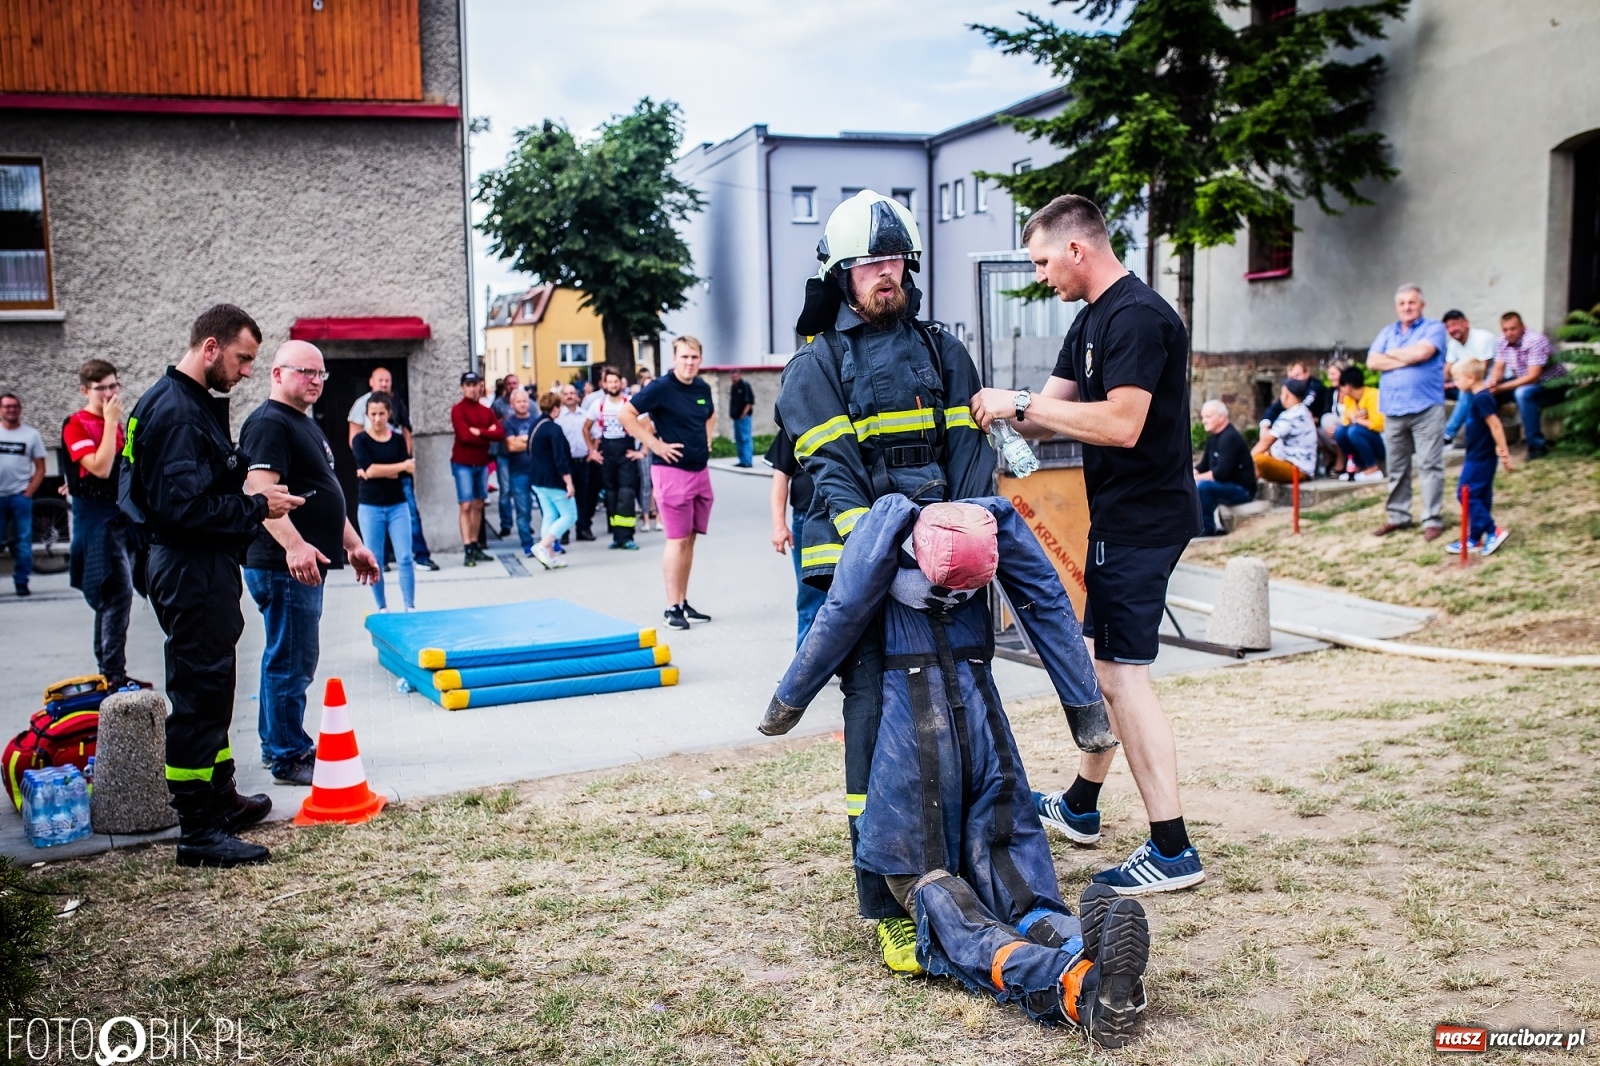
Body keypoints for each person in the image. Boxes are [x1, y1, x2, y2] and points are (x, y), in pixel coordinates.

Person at [759, 497, 1145, 1047]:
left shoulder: (885, 532)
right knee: (1022, 893)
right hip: (987, 739)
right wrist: (1084, 710)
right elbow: (1044, 598)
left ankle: (1074, 984)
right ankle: (1081, 943)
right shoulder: (990, 516)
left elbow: (841, 610)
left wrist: (787, 701)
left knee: (944, 906)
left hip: (910, 767)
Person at [776, 189, 995, 971]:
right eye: (870, 264)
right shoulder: (815, 366)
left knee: (965, 719)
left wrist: (959, 544)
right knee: (876, 727)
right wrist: (892, 558)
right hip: (865, 581)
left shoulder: (946, 353)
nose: (886, 275)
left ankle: (970, 869)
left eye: (896, 261)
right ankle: (888, 900)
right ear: (841, 274)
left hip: (948, 574)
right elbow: (836, 480)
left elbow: (973, 459)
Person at [970, 193, 1207, 895]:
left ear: (1078, 249)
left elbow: (1123, 423)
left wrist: (1019, 403)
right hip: (1118, 517)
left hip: (1146, 517)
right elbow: (1050, 415)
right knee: (1104, 664)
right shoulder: (1090, 321)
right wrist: (993, 415)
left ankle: (1171, 848)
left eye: (1045, 260)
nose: (1042, 275)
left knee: (1121, 675)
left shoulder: (1137, 316)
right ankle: (1080, 806)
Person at [119, 304, 300, 867]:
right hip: (188, 567)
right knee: (199, 697)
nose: (248, 371)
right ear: (211, 348)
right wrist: (256, 505)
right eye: (244, 358)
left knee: (215, 687)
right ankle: (198, 830)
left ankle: (220, 797)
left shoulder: (187, 402)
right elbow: (183, 510)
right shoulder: (174, 411)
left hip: (198, 568)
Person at [241, 341, 379, 787]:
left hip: (305, 562)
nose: (316, 381)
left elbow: (323, 494)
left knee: (288, 656)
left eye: (322, 374)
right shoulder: (268, 423)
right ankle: (288, 754)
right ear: (277, 374)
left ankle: (278, 744)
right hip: (284, 566)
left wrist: (354, 544)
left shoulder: (303, 424)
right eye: (306, 372)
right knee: (291, 659)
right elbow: (257, 491)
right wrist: (294, 546)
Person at [623, 337, 718, 631]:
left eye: (694, 357)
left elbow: (710, 415)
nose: (690, 362)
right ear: (674, 358)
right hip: (671, 473)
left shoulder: (702, 388)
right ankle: (671, 607)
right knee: (676, 540)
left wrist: (707, 437)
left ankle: (683, 601)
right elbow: (626, 414)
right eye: (684, 357)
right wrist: (654, 444)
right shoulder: (661, 388)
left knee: (690, 539)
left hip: (700, 472)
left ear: (700, 359)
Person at [63, 361, 142, 685]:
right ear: (85, 390)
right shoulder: (76, 423)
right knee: (116, 592)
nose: (109, 394)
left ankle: (109, 671)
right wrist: (110, 424)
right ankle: (112, 673)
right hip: (97, 522)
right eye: (101, 388)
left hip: (118, 516)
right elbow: (101, 467)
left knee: (114, 595)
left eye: (113, 386)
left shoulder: (115, 423)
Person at [1367, 284, 1448, 539]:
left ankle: (1432, 519)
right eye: (1402, 303)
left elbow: (1424, 353)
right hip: (1393, 409)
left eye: (1412, 302)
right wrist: (1407, 356)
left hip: (1426, 408)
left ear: (1421, 305)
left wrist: (1391, 356)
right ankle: (1398, 517)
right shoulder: (1387, 331)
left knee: (1429, 464)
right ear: (1396, 307)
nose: (1407, 307)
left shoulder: (1434, 328)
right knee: (1396, 467)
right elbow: (1372, 361)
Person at [348, 366, 437, 571]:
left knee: (410, 514)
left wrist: (402, 462)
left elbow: (406, 431)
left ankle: (420, 556)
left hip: (397, 468)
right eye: (380, 380)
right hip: (373, 474)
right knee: (378, 521)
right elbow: (355, 440)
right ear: (371, 381)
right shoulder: (361, 405)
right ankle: (383, 560)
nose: (384, 384)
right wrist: (365, 465)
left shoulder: (396, 402)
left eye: (387, 380)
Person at [352, 392, 417, 612]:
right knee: (375, 559)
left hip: (398, 505)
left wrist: (374, 471)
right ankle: (382, 607)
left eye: (381, 413)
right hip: (371, 506)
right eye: (373, 414)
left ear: (389, 414)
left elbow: (404, 473)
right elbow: (372, 470)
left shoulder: (397, 439)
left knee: (405, 557)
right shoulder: (360, 440)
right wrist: (397, 467)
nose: (377, 418)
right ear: (367, 415)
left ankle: (410, 606)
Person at [765, 422, 827, 645]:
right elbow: (781, 474)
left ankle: (852, 668)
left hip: (848, 516)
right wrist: (778, 525)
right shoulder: (795, 418)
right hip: (806, 519)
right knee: (810, 595)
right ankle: (804, 671)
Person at [1447, 359, 1513, 555]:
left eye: (1456, 379)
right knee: (1480, 496)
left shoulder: (1481, 398)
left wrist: (1504, 452)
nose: (1455, 384)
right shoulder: (1477, 397)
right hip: (1477, 455)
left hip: (1480, 457)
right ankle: (1474, 538)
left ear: (1470, 378)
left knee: (1465, 493)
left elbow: (1495, 425)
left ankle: (1493, 531)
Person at [1491, 311, 1566, 460]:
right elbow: (1498, 368)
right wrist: (1493, 382)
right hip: (1524, 382)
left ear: (1522, 327)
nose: (1509, 333)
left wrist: (1501, 387)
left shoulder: (1535, 340)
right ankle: (1489, 441)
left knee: (1523, 393)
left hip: (1552, 385)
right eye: (1505, 330)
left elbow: (1533, 377)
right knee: (1486, 393)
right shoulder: (1502, 341)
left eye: (1513, 328)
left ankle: (1537, 446)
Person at [450, 371, 505, 566]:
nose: (473, 388)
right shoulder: (458, 410)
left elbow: (499, 433)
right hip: (462, 463)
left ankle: (475, 544)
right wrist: (486, 434)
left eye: (476, 384)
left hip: (481, 462)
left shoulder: (486, 411)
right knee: (465, 504)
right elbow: (465, 436)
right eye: (469, 385)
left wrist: (479, 432)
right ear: (462, 387)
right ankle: (467, 548)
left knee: (479, 504)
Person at [583, 368, 641, 551]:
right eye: (610, 382)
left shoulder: (630, 403)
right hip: (607, 452)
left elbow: (648, 426)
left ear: (621, 383)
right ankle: (617, 535)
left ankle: (627, 536)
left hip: (626, 453)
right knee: (611, 495)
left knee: (626, 494)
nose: (613, 385)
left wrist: (643, 451)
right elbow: (586, 429)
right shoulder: (598, 404)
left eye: (616, 381)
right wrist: (592, 451)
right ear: (604, 384)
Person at [0, 392, 45, 597]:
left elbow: (40, 467)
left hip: (20, 496)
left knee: (23, 543)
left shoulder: (31, 435)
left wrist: (28, 493)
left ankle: (21, 583)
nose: (11, 409)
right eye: (7, 406)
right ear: (1, 410)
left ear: (20, 409)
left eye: (15, 406)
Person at [527, 390, 577, 569]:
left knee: (549, 514)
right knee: (570, 515)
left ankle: (549, 556)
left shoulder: (535, 425)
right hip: (553, 480)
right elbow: (560, 458)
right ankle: (542, 546)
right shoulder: (554, 429)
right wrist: (569, 482)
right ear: (555, 408)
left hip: (537, 479)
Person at [1192, 400, 1256, 537]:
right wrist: (1187, 474)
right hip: (1224, 485)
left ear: (1221, 417)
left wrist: (1193, 479)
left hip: (1242, 490)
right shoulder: (1213, 438)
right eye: (1203, 417)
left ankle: (1206, 528)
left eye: (1208, 417)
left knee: (1202, 487)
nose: (1204, 421)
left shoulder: (1230, 438)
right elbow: (1203, 465)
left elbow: (1220, 473)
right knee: (1192, 483)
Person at [1252, 378, 1318, 483]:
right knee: (1260, 459)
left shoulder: (1292, 415)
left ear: (1287, 395)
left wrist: (1247, 459)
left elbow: (1268, 441)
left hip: (1298, 469)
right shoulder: (1302, 411)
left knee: (1259, 461)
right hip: (1292, 464)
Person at [500, 386, 540, 557]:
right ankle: (527, 544)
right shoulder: (509, 423)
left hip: (538, 472)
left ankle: (549, 542)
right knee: (523, 510)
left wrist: (521, 440)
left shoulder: (537, 420)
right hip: (519, 473)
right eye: (519, 401)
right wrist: (530, 440)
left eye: (525, 401)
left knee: (547, 509)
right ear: (512, 404)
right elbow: (511, 446)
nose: (523, 404)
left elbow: (540, 444)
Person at [1333, 365, 1386, 480]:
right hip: (1363, 432)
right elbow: (1346, 421)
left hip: (1381, 440)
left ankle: (1373, 467)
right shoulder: (1349, 399)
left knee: (1354, 431)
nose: (1340, 390)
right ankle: (1359, 466)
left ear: (1348, 386)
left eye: (1341, 386)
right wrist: (1358, 418)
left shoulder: (1373, 396)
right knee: (1340, 432)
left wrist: (1357, 419)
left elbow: (1378, 425)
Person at [554, 384, 591, 545]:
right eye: (566, 393)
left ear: (578, 396)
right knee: (565, 497)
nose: (569, 396)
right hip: (565, 463)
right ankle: (564, 532)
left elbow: (595, 434)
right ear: (562, 397)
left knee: (584, 497)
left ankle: (582, 528)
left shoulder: (585, 415)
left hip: (583, 460)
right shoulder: (558, 417)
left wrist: (593, 451)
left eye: (572, 393)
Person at [490, 373, 520, 538]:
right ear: (505, 386)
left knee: (523, 490)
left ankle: (524, 523)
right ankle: (506, 524)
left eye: (515, 383)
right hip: (503, 452)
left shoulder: (527, 403)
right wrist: (504, 420)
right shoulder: (497, 405)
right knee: (505, 490)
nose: (512, 386)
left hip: (522, 454)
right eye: (509, 384)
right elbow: (491, 426)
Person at [729, 368, 756, 468]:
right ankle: (742, 460)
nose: (734, 378)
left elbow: (749, 401)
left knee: (745, 438)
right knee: (738, 439)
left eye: (736, 375)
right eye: (732, 376)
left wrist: (743, 413)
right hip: (736, 417)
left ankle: (747, 461)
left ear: (740, 375)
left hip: (744, 417)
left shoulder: (744, 385)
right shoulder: (733, 386)